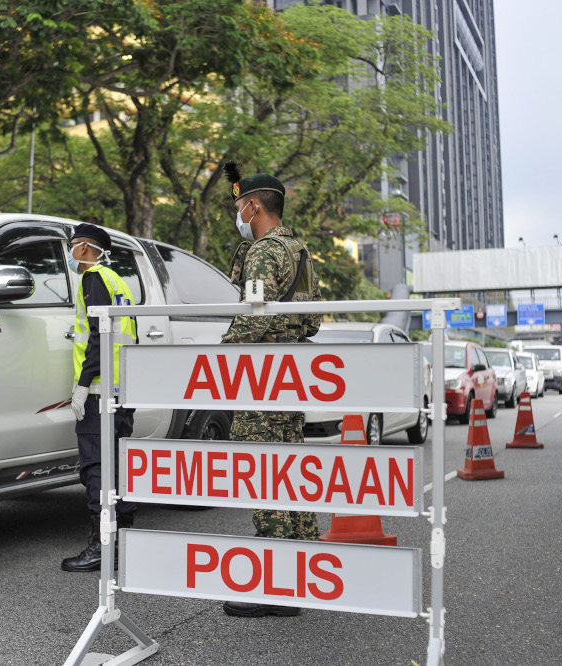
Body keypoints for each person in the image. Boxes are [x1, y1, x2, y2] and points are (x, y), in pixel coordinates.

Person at [218, 161, 323, 618]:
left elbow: (251, 318)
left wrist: (215, 360)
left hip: (262, 378)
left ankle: (276, 589)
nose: (237, 214)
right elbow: (314, 320)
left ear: (254, 205)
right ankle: (296, 579)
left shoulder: (264, 253)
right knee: (289, 471)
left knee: (264, 474)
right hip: (291, 372)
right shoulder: (300, 252)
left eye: (239, 206)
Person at [61, 223, 139, 572]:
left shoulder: (92, 279)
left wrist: (83, 382)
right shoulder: (118, 281)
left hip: (99, 391)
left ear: (87, 247)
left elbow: (98, 335)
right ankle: (122, 542)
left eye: (73, 244)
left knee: (96, 468)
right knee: (116, 466)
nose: (70, 250)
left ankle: (102, 546)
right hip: (122, 387)